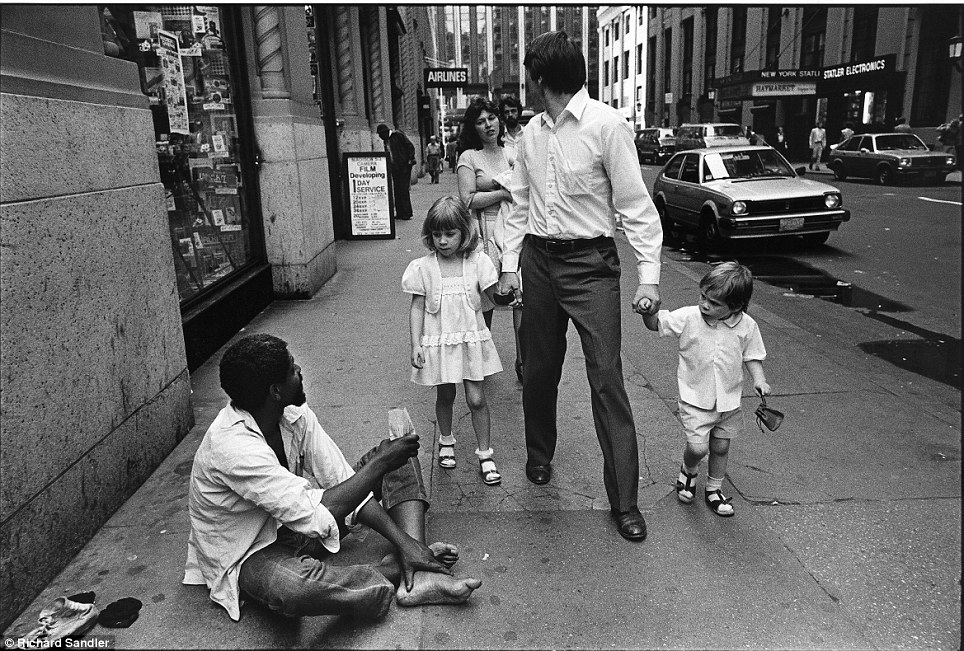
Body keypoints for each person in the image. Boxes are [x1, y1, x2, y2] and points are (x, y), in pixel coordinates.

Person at [183, 334, 481, 622]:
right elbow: (316, 513)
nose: (300, 371)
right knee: (292, 588)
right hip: (252, 550)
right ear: (275, 391)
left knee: (398, 456)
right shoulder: (232, 447)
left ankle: (418, 568)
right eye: (292, 369)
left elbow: (339, 478)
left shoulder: (293, 413)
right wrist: (380, 462)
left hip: (297, 522)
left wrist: (405, 542)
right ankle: (394, 571)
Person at [498, 31, 662, 542]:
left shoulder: (606, 125)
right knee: (538, 367)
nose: (526, 86)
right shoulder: (530, 133)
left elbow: (635, 206)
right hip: (539, 262)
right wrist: (509, 265)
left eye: (528, 77)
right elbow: (519, 203)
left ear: (541, 78)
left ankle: (625, 501)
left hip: (591, 265)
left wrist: (649, 278)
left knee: (606, 376)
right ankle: (539, 454)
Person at [641, 262, 770, 518]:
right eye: (703, 297)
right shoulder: (690, 317)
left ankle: (714, 489)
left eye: (714, 303)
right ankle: (689, 470)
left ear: (736, 306)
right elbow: (656, 324)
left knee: (721, 447)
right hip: (695, 398)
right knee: (698, 448)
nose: (705, 305)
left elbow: (752, 355)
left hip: (729, 400)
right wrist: (648, 311)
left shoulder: (747, 326)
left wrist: (759, 379)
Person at [402, 196, 504, 485]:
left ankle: (485, 453)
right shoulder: (423, 267)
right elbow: (417, 307)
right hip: (440, 340)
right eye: (437, 234)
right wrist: (416, 343)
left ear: (464, 232)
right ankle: (446, 440)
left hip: (470, 339)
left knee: (476, 398)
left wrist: (509, 291)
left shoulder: (477, 262)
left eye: (450, 234)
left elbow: (495, 295)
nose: (443, 241)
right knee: (445, 395)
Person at [457, 96, 525, 383]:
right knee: (484, 300)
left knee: (519, 298)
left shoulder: (511, 152)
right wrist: (502, 193)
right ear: (473, 127)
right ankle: (480, 361)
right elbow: (467, 199)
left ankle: (523, 361)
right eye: (481, 121)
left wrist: (508, 194)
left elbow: (525, 189)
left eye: (492, 118)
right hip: (482, 233)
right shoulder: (469, 157)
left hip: (513, 229)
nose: (488, 125)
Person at [377, 123, 416, 220]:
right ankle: (400, 212)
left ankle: (407, 213)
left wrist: (410, 158)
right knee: (397, 190)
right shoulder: (386, 140)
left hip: (404, 166)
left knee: (403, 189)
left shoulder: (398, 135)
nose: (380, 137)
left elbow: (410, 146)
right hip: (394, 168)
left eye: (380, 134)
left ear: (385, 132)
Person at [500, 95, 524, 167]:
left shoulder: (528, 134)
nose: (510, 115)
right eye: (506, 112)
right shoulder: (499, 138)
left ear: (519, 112)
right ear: (502, 115)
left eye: (513, 111)